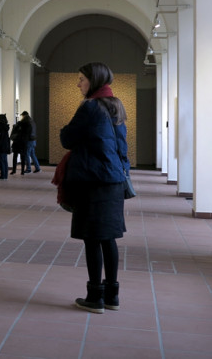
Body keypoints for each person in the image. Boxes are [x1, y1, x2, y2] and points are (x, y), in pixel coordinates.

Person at [60, 62, 129, 314]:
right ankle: (112, 296)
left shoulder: (89, 108)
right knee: (108, 239)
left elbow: (67, 138)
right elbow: (123, 147)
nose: (78, 84)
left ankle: (95, 297)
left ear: (94, 80)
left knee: (91, 239)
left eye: (81, 79)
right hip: (113, 181)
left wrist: (64, 130)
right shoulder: (116, 105)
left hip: (91, 181)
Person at [0, 114, 11, 179]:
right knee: (4, 161)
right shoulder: (5, 127)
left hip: (0, 147)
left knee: (1, 161)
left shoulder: (0, 128)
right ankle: (5, 175)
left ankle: (3, 175)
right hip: (5, 146)